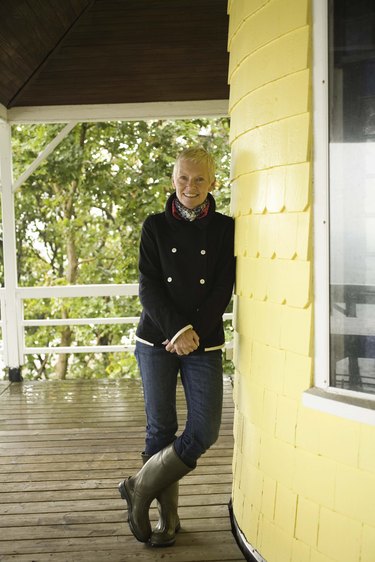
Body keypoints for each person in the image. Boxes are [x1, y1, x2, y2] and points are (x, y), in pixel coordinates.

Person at [118, 146, 235, 547]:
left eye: (200, 179)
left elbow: (223, 287)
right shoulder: (154, 226)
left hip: (203, 341)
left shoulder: (225, 228)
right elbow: (148, 286)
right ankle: (169, 520)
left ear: (213, 183)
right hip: (156, 339)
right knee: (161, 429)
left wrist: (193, 333)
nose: (191, 185)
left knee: (205, 429)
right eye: (184, 177)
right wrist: (177, 330)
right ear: (173, 180)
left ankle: (138, 486)